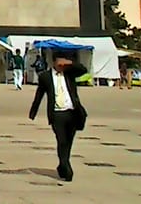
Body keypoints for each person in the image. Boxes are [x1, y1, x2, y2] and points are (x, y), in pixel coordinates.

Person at [28, 51, 88, 183]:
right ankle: (66, 167)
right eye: (59, 62)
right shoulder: (45, 77)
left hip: (72, 112)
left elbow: (84, 70)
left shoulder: (70, 73)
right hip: (57, 114)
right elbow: (40, 94)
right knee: (61, 140)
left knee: (68, 141)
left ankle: (62, 164)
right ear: (53, 62)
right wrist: (33, 112)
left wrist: (70, 63)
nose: (61, 65)